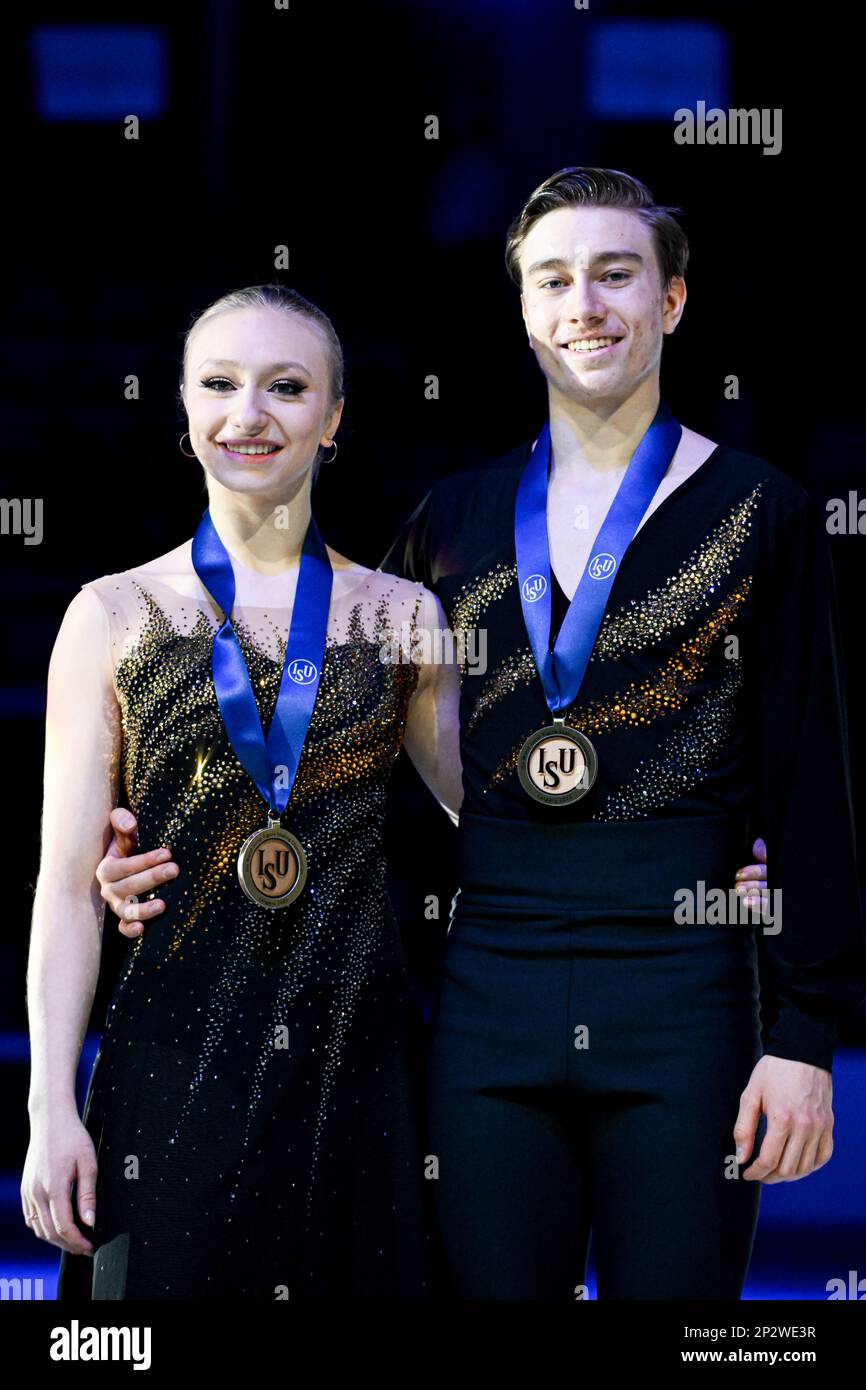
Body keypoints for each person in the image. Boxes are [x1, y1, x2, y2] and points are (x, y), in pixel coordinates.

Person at [373, 167, 866, 1299]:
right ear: (524, 311)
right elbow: (356, 760)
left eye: (613, 274)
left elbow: (811, 783)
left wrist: (801, 1034)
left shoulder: (765, 512)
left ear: (672, 301)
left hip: (685, 993)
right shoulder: (449, 519)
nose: (582, 304)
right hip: (489, 990)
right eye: (552, 279)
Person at [22, 284, 463, 1300]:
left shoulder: (401, 617)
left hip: (361, 1078)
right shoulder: (111, 614)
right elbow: (65, 888)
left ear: (334, 416)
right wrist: (51, 1106)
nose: (248, 413)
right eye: (219, 383)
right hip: (169, 1074)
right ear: (182, 407)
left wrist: (691, 851)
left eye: (286, 385)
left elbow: (501, 826)